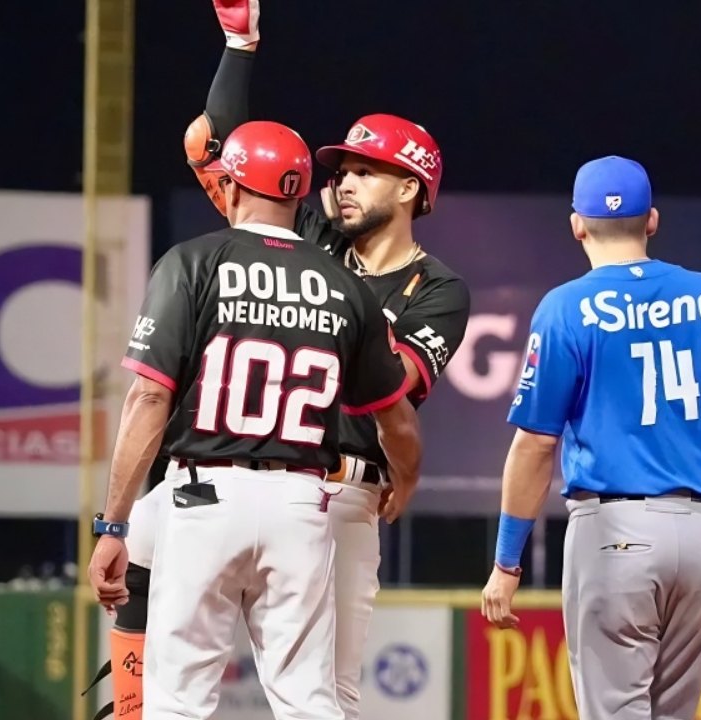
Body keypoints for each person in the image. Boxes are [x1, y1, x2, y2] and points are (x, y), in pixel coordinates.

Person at [94, 2, 473, 718]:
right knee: (138, 531)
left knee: (331, 695)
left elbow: (396, 396)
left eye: (370, 169)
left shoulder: (441, 289)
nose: (348, 180)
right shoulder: (315, 247)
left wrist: (408, 473)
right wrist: (240, 45)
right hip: (252, 476)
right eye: (345, 168)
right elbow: (222, 145)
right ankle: (133, 699)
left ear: (413, 189)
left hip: (345, 490)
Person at [479, 156, 701, 720]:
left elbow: (535, 445)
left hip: (613, 533)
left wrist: (508, 562)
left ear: (576, 224)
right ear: (651, 220)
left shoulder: (566, 308)